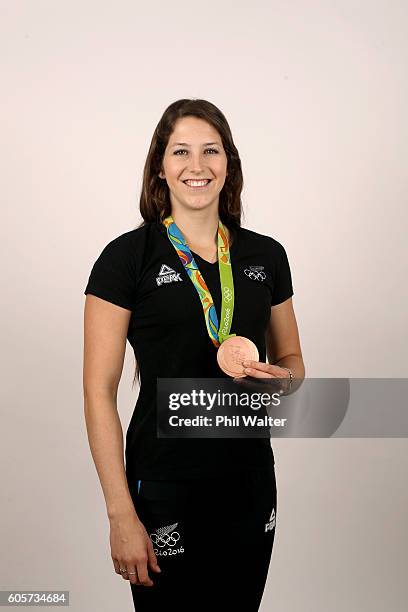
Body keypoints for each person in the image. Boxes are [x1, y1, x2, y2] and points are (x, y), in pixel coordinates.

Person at [83, 98, 305, 612]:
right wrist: (121, 513)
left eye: (211, 151)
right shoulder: (126, 258)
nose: (197, 166)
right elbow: (98, 392)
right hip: (163, 486)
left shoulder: (266, 255)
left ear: (230, 164)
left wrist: (282, 383)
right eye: (181, 151)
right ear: (160, 166)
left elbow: (292, 360)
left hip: (249, 481)